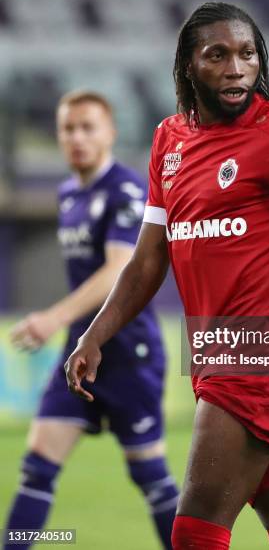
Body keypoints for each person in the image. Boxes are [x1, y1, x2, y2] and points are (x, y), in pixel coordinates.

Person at [64, 3, 269, 550]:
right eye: (218, 55)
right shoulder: (171, 140)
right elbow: (148, 260)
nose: (238, 68)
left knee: (194, 530)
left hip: (263, 355)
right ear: (189, 66)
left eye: (248, 54)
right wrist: (96, 334)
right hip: (216, 352)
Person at [2, 91, 178, 550]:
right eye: (68, 128)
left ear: (110, 133)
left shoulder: (124, 190)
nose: (77, 137)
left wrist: (53, 317)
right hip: (78, 353)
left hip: (128, 354)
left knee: (149, 474)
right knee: (37, 466)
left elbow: (120, 268)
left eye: (88, 127)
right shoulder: (67, 194)